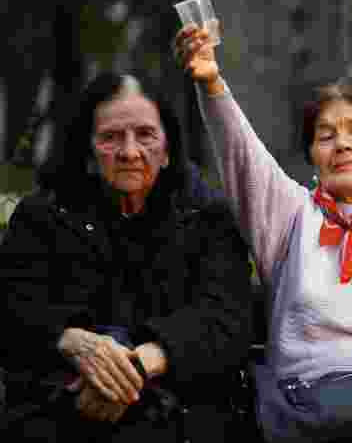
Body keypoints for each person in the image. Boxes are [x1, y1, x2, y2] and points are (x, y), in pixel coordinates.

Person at [174, 24, 352, 441]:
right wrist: (211, 83)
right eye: (326, 136)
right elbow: (241, 156)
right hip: (301, 413)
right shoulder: (293, 215)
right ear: (313, 157)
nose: (342, 145)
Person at [0, 72, 253, 442]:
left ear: (167, 150)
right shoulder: (43, 216)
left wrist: (135, 367)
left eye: (146, 135)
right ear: (87, 150)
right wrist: (73, 342)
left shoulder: (206, 216)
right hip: (61, 416)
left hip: (182, 420)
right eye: (110, 137)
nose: (130, 152)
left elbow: (227, 320)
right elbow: (13, 311)